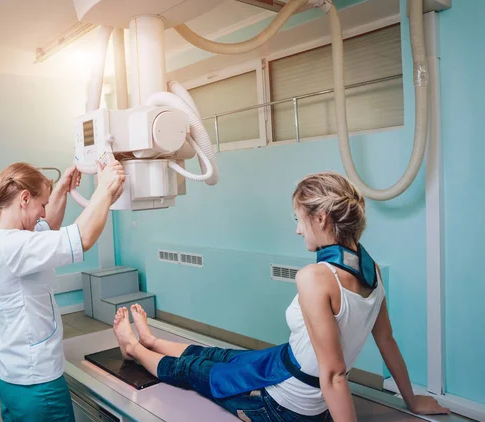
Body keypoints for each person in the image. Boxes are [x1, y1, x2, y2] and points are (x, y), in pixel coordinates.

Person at [111, 172, 451, 421]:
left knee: (192, 371)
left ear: (320, 218)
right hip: (282, 363)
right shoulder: (370, 269)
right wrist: (412, 399)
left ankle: (135, 349)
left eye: (299, 220)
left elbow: (333, 375)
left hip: (282, 403)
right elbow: (386, 340)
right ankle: (152, 338)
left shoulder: (315, 278)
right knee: (218, 354)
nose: (297, 229)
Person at [0, 160, 125, 422]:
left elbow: (48, 227)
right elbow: (83, 237)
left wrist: (61, 191)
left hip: (8, 367)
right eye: (41, 205)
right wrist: (105, 189)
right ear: (24, 198)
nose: (43, 213)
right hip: (33, 379)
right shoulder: (14, 246)